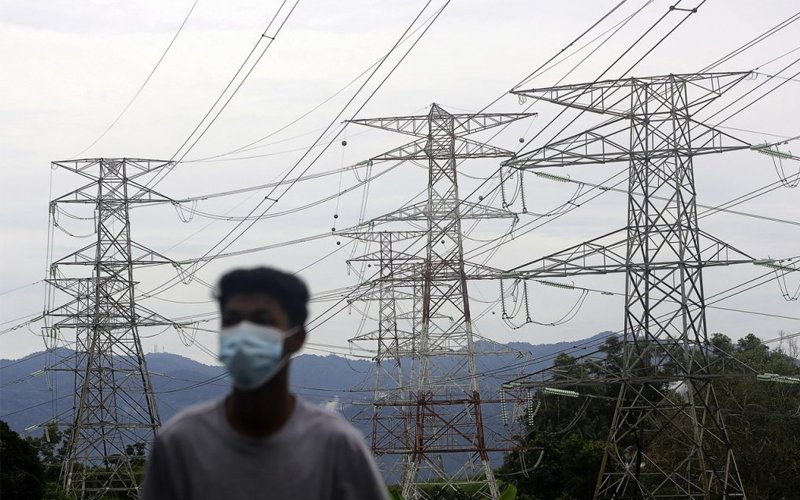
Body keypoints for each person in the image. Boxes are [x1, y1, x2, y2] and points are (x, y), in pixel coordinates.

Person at [141, 267, 388, 500]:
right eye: (232, 321)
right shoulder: (180, 443)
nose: (244, 334)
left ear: (297, 338)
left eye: (261, 322)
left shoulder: (337, 446)